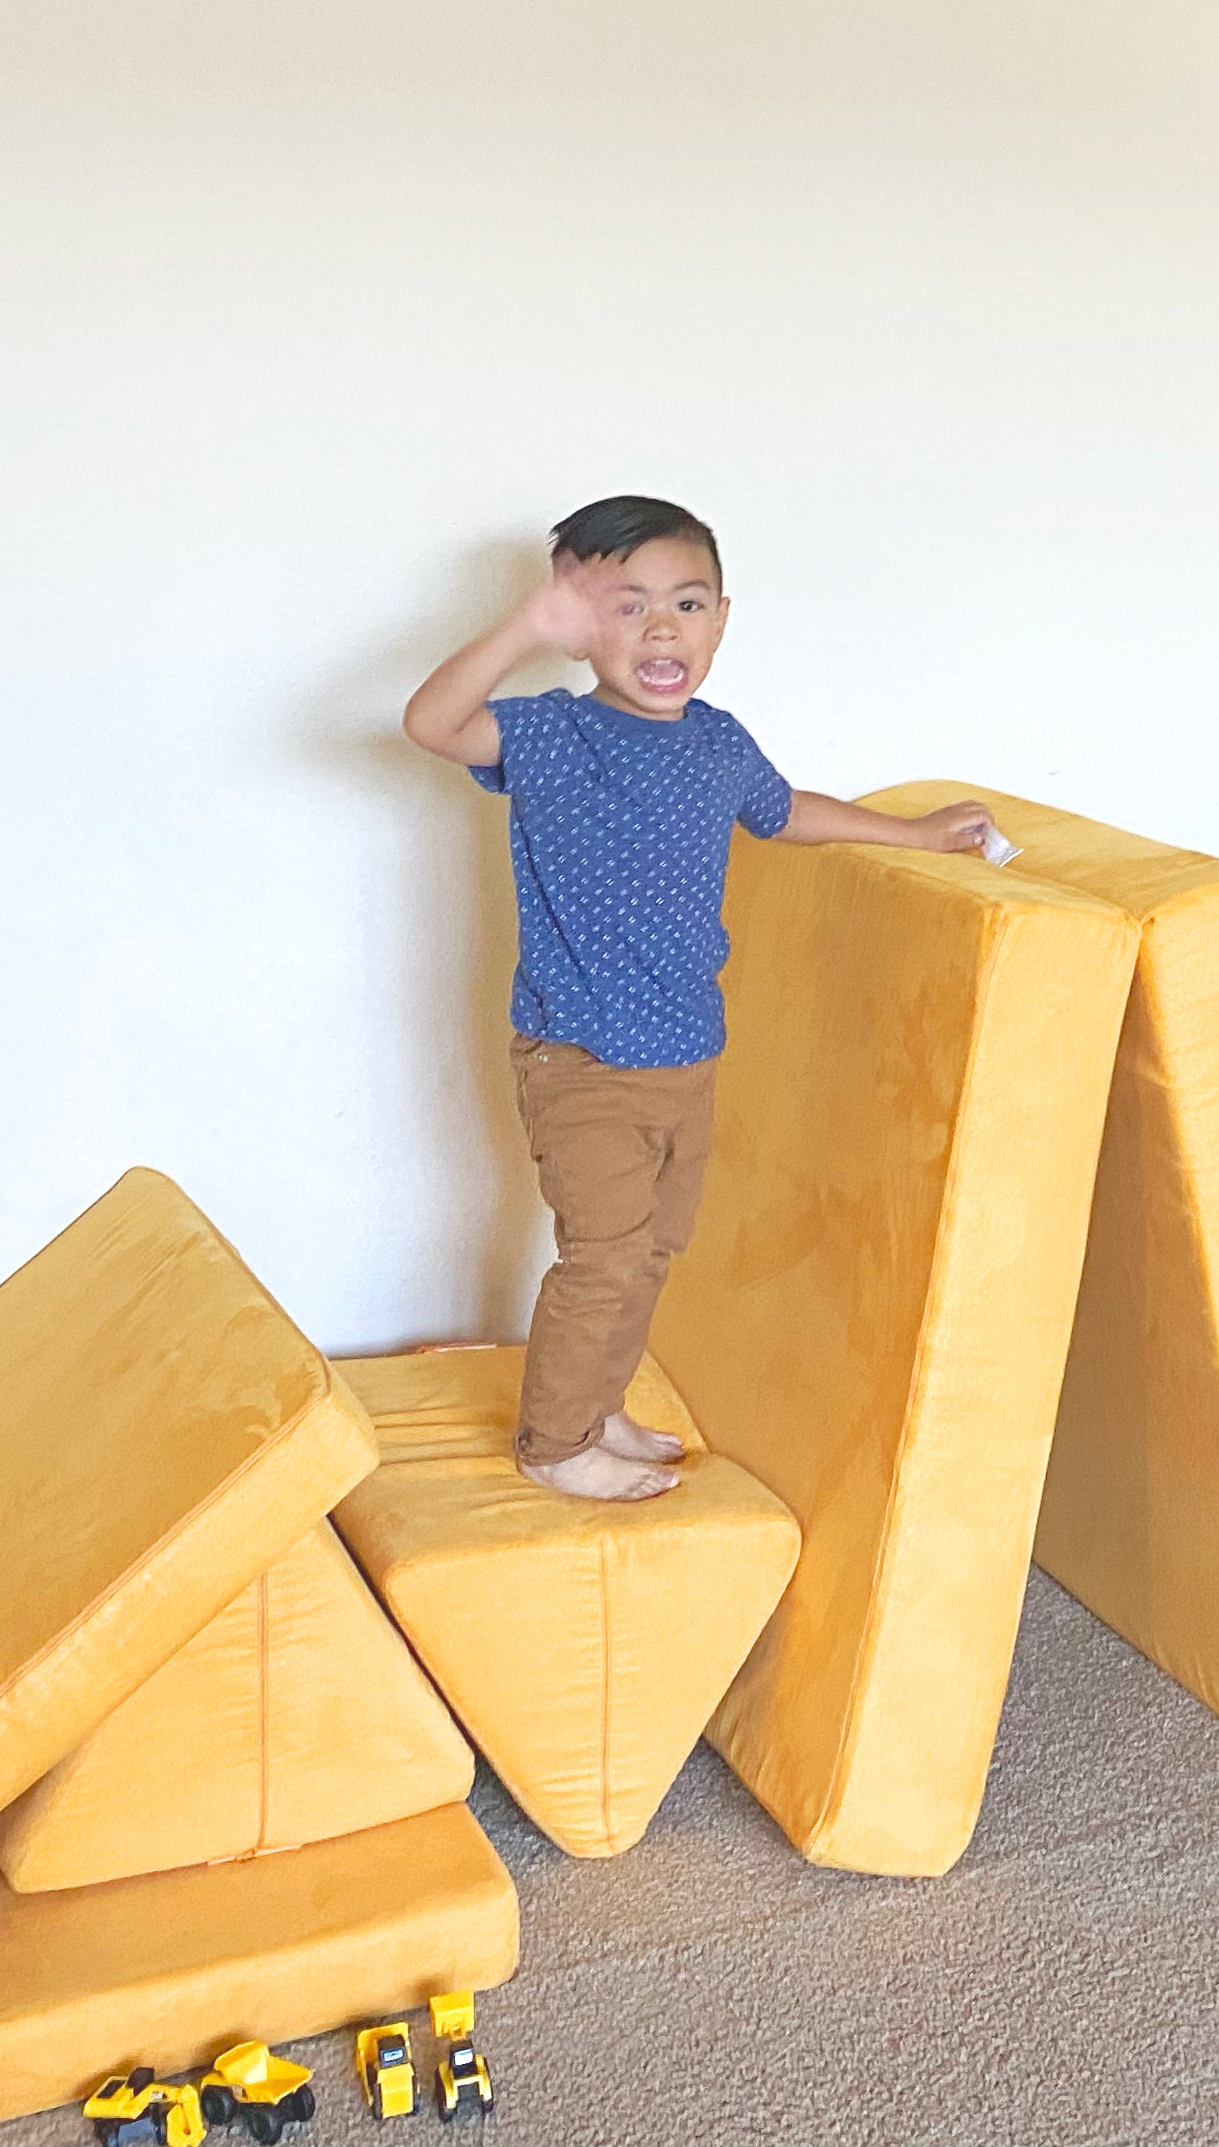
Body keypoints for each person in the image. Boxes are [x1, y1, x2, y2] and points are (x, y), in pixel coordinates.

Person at [402, 494, 999, 1502]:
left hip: (687, 1054)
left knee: (653, 1252)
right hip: (581, 1059)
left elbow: (785, 812)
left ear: (722, 619)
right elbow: (431, 724)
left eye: (685, 603)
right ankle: (553, 1445)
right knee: (603, 1254)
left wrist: (914, 832)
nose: (661, 628)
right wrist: (522, 629)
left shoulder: (719, 742)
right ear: (577, 626)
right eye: (624, 607)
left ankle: (597, 1407)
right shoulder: (552, 735)